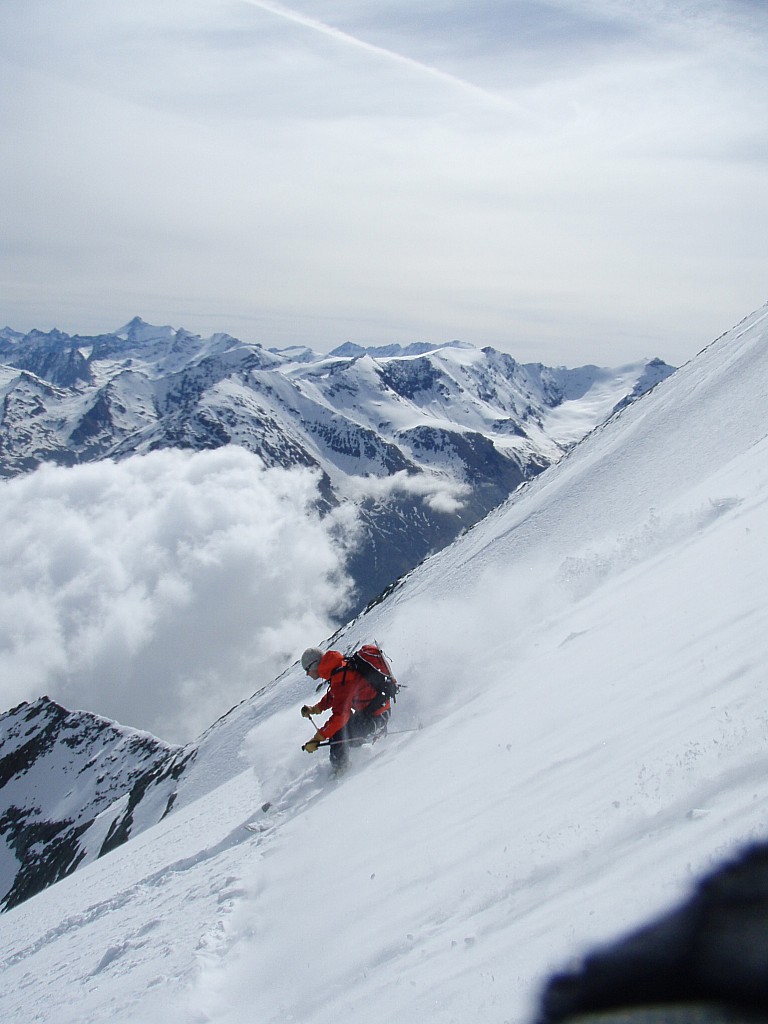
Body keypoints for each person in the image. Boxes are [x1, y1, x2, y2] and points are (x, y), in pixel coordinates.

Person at [299, 646, 391, 771]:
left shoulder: (341, 675)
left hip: (376, 717)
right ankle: (352, 758)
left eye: (307, 669)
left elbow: (341, 716)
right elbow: (336, 695)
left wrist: (318, 738)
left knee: (339, 735)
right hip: (374, 711)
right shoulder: (339, 669)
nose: (307, 674)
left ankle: (341, 772)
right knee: (343, 731)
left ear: (314, 665)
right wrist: (315, 709)